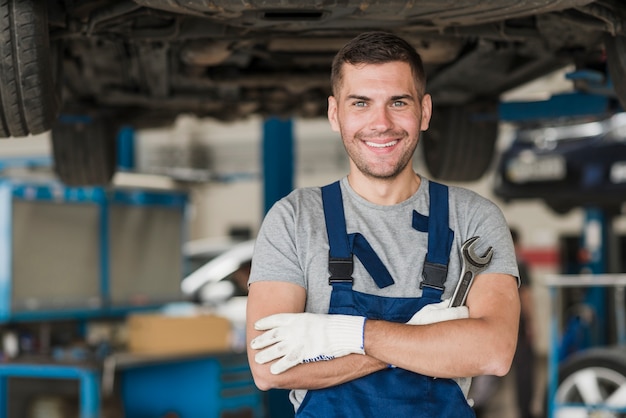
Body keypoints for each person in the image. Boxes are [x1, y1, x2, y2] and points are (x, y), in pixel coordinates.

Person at [246, 31, 520, 417]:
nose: (381, 122)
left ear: (424, 112)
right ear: (334, 113)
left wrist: (343, 335)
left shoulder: (474, 216)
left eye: (398, 102)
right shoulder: (294, 217)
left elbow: (493, 353)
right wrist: (424, 339)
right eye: (360, 103)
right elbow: (269, 367)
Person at [511, 228, 536, 418]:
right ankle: (525, 412)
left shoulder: (491, 265)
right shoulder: (519, 264)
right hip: (517, 323)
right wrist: (531, 324)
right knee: (524, 370)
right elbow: (525, 295)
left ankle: (479, 407)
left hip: (497, 322)